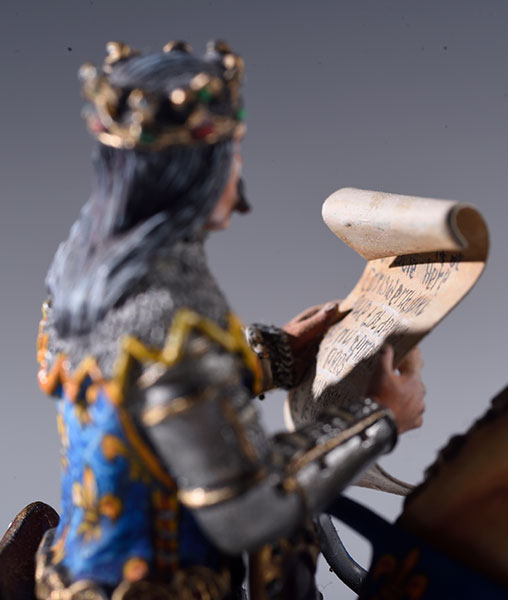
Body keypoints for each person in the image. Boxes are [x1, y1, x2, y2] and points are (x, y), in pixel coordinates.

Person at [29, 40, 425, 599]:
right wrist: (376, 419)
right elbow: (248, 510)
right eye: (230, 158)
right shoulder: (171, 317)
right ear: (194, 175)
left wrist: (273, 353)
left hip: (69, 573)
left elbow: (141, 389)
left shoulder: (80, 272)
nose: (238, 184)